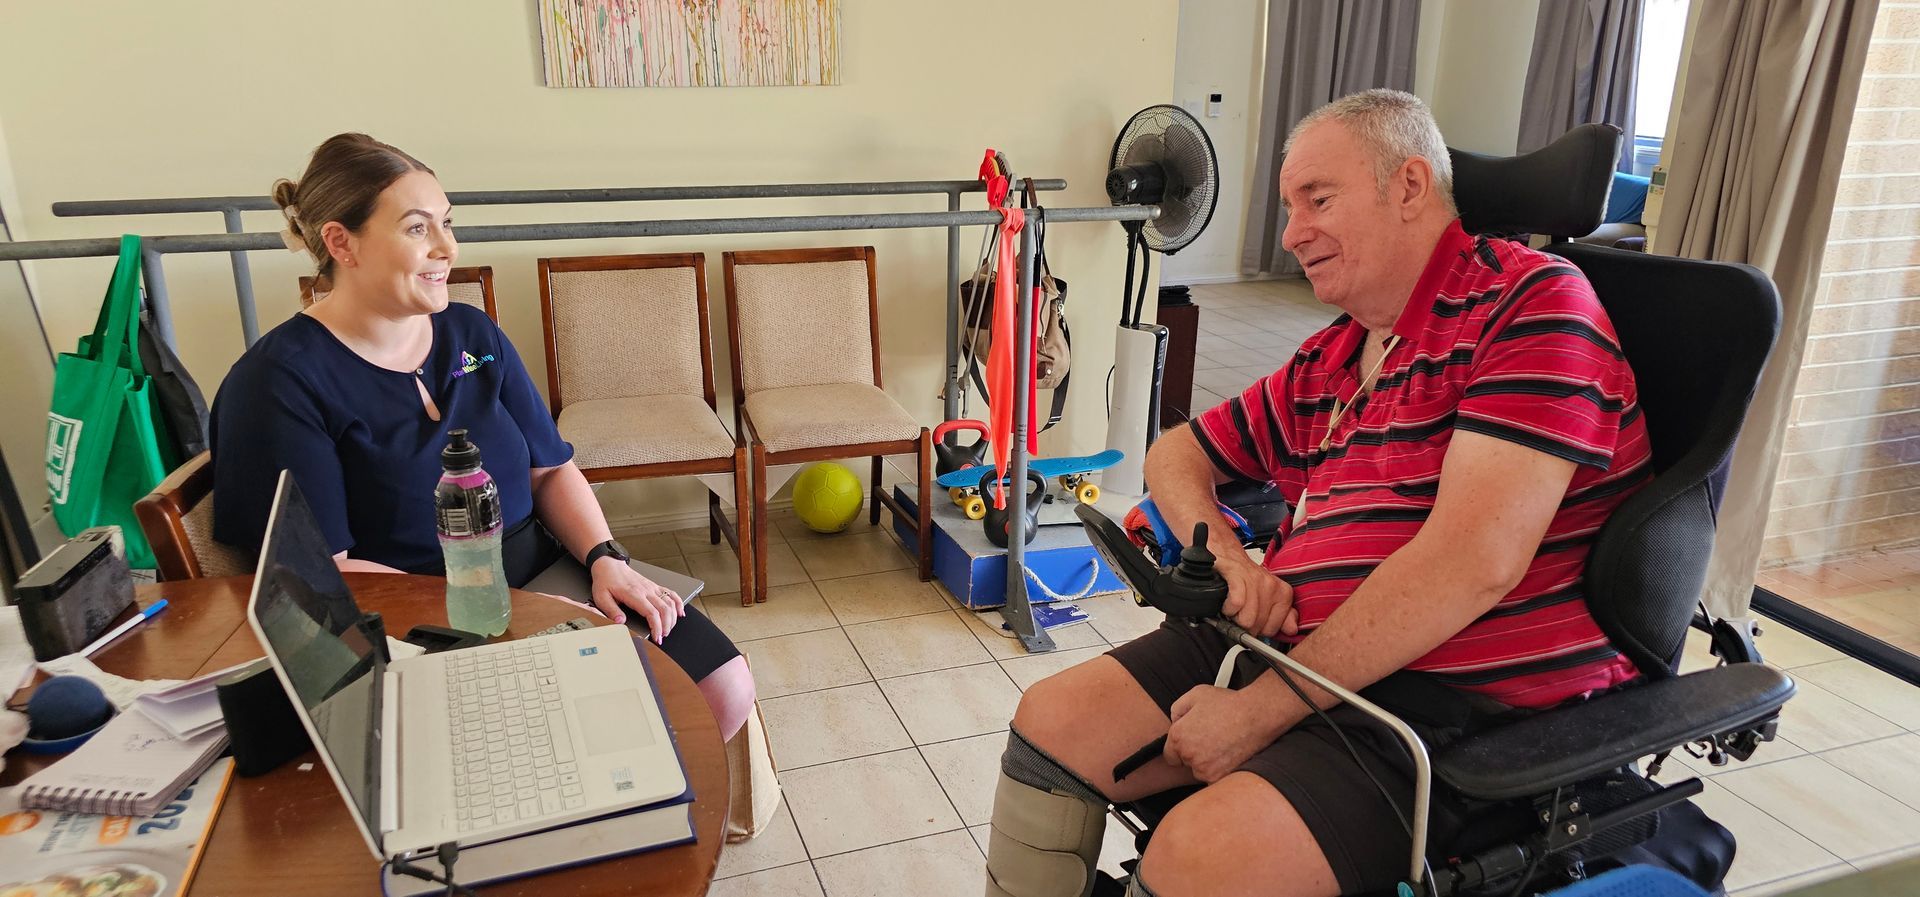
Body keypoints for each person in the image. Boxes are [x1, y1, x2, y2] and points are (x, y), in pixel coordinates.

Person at [983, 90, 1652, 897]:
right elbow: (1175, 454)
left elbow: (1473, 562)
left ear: (1408, 187)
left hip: (1447, 703)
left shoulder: (1534, 306)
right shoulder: (1335, 354)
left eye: (1318, 199)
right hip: (1296, 646)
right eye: (1289, 206)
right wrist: (1230, 561)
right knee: (1049, 727)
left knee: (1195, 856)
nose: (1293, 232)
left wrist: (1259, 711)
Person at [209, 133, 755, 740]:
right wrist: (526, 615)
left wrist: (606, 559)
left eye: (447, 223)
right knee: (613, 719)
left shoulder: (470, 334)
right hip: (414, 615)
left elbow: (550, 468)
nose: (447, 247)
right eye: (418, 229)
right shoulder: (278, 384)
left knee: (722, 686)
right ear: (341, 242)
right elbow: (325, 572)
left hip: (541, 567)